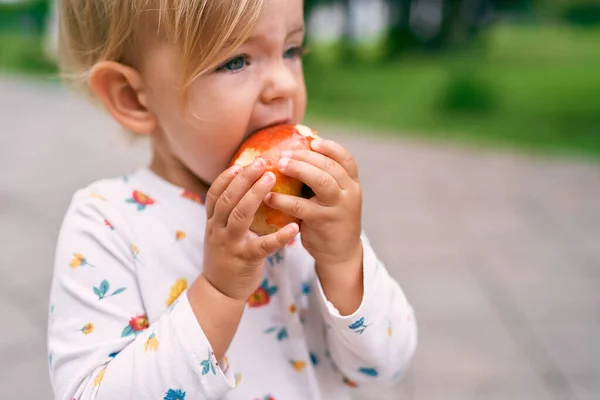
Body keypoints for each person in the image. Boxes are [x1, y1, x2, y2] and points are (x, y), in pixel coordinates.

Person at [47, 1, 417, 399]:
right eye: (237, 61)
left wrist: (344, 262)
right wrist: (219, 292)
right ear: (134, 97)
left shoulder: (309, 214)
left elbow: (386, 367)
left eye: (291, 51)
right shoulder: (107, 224)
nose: (285, 86)